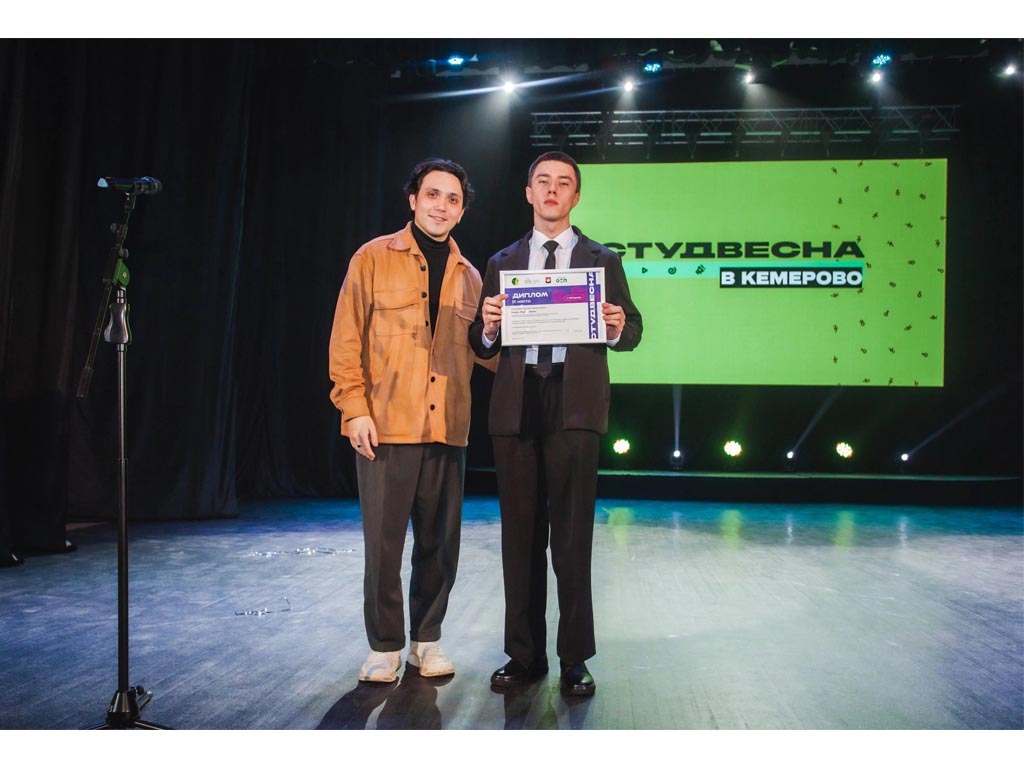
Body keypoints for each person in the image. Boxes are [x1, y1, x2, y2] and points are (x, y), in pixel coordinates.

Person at [469, 151, 642, 696]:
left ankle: (574, 658)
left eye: (563, 183)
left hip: (574, 403)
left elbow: (633, 331)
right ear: (528, 193)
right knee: (519, 538)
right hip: (517, 403)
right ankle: (523, 655)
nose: (551, 190)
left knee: (571, 538)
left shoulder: (602, 260)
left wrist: (614, 324)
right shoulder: (501, 260)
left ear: (575, 196)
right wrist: (489, 326)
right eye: (542, 181)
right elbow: (480, 342)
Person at [329, 158, 484, 684]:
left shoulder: (470, 277)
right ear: (413, 199)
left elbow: (485, 353)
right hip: (386, 426)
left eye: (453, 199)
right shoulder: (373, 257)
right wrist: (353, 408)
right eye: (432, 194)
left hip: (447, 429)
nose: (442, 205)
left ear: (461, 211)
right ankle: (384, 646)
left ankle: (427, 640)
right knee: (384, 546)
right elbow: (346, 338)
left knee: (440, 545)